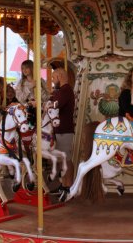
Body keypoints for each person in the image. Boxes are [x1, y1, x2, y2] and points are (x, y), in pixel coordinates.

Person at [49, 67, 76, 199]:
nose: (53, 81)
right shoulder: (61, 90)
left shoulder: (66, 90)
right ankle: (63, 184)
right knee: (61, 158)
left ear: (60, 77)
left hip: (64, 129)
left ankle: (68, 186)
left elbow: (55, 105)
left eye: (54, 78)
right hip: (58, 129)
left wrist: (44, 105)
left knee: (66, 158)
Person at [15, 60, 49, 128]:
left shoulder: (41, 80)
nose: (24, 70)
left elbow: (47, 97)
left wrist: (39, 87)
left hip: (41, 109)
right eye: (22, 68)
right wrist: (30, 87)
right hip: (27, 111)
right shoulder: (20, 83)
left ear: (31, 68)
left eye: (26, 68)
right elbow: (20, 99)